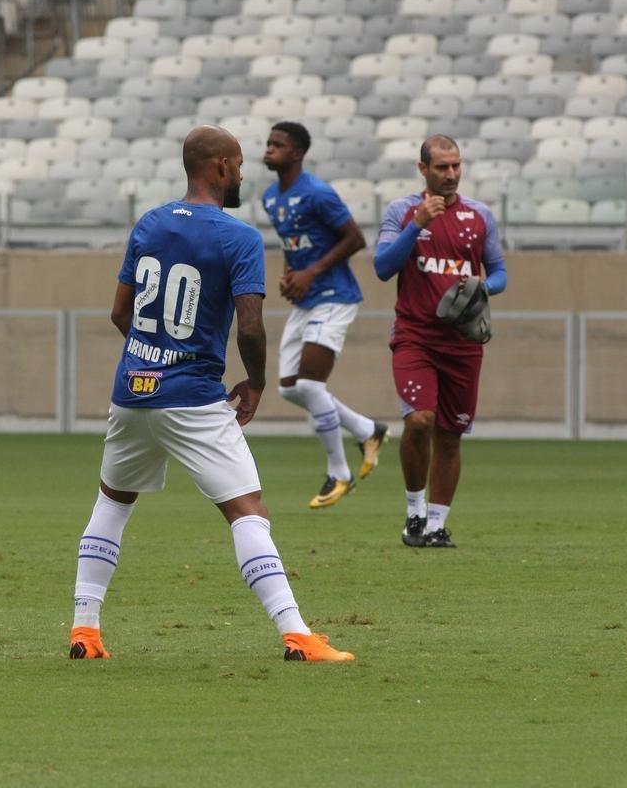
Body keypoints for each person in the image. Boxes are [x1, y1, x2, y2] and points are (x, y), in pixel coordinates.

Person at [69, 125, 354, 663]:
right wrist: (257, 381)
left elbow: (118, 314)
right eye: (240, 163)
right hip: (194, 395)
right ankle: (298, 635)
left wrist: (151, 355)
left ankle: (85, 631)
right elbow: (249, 326)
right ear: (221, 167)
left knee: (111, 503)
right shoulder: (239, 236)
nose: (244, 173)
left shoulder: (150, 223)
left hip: (132, 389)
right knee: (249, 512)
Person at [373, 135, 507, 548]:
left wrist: (484, 286)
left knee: (450, 434)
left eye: (456, 166)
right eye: (442, 167)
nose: (450, 175)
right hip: (415, 336)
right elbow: (382, 267)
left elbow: (500, 272)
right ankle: (414, 513)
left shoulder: (479, 215)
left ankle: (436, 525)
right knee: (419, 421)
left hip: (463, 343)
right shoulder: (402, 211)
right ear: (423, 170)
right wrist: (418, 225)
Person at [262, 121, 388, 509]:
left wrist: (312, 272)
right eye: (268, 144)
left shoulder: (317, 193)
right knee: (288, 387)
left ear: (297, 153)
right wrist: (289, 275)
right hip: (306, 300)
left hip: (335, 296)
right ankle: (367, 430)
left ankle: (340, 473)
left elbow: (356, 238)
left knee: (312, 386)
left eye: (277, 145)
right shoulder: (270, 197)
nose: (268, 150)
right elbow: (294, 244)